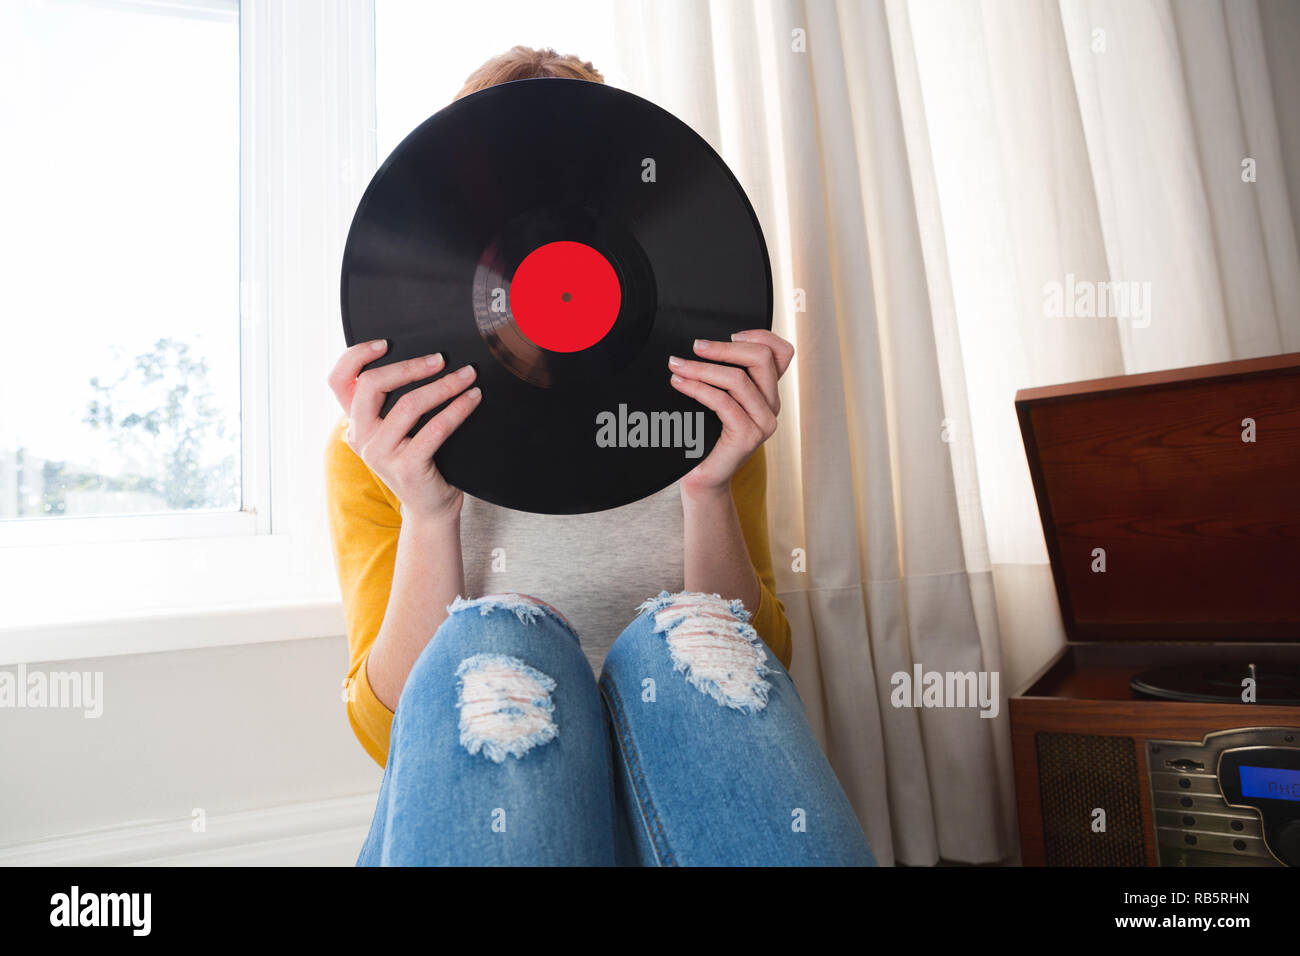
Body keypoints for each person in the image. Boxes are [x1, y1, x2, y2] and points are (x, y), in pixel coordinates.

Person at [324, 45, 875, 866]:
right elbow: (389, 728)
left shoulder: (705, 412)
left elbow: (756, 673)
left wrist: (707, 492)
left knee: (683, 637)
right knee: (498, 642)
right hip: (484, 817)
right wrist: (428, 512)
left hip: (678, 815)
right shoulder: (382, 444)